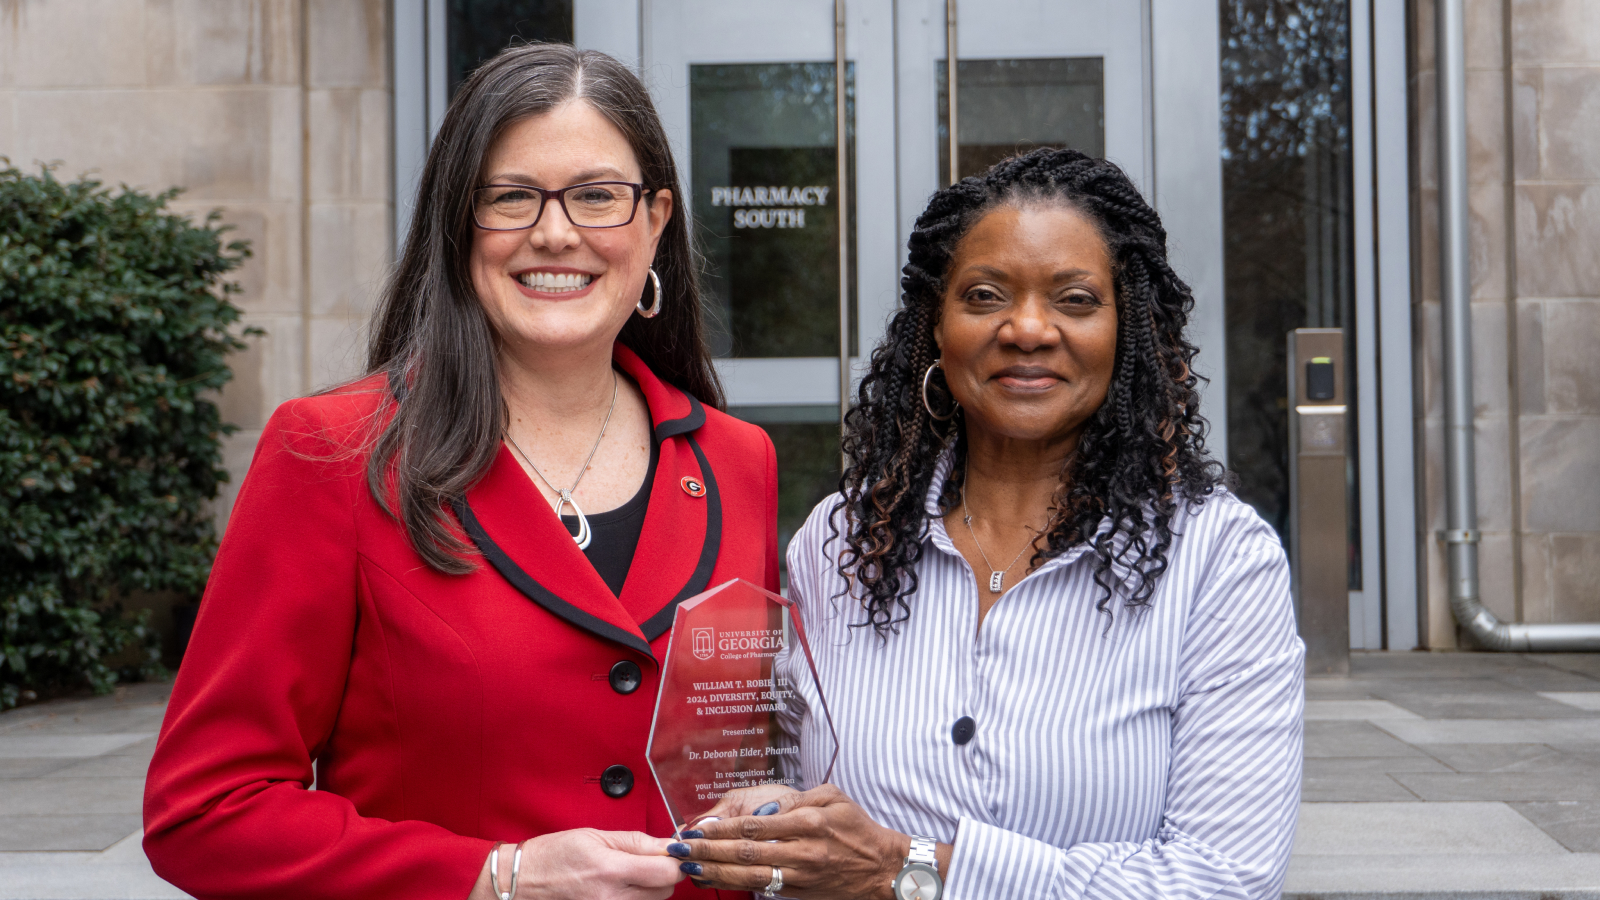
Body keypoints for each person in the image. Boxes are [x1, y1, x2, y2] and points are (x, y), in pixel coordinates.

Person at [143, 44, 777, 900]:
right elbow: (203, 809)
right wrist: (494, 875)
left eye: (598, 196)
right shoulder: (332, 451)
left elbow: (746, 756)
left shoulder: (739, 461)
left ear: (655, 220)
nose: (557, 233)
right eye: (511, 197)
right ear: (457, 221)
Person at [668, 148, 1304, 900]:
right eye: (984, 295)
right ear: (935, 328)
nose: (1027, 329)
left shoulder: (1221, 562)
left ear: (1125, 331)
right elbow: (795, 798)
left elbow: (1223, 881)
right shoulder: (840, 545)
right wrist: (767, 819)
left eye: (1074, 300)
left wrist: (908, 869)